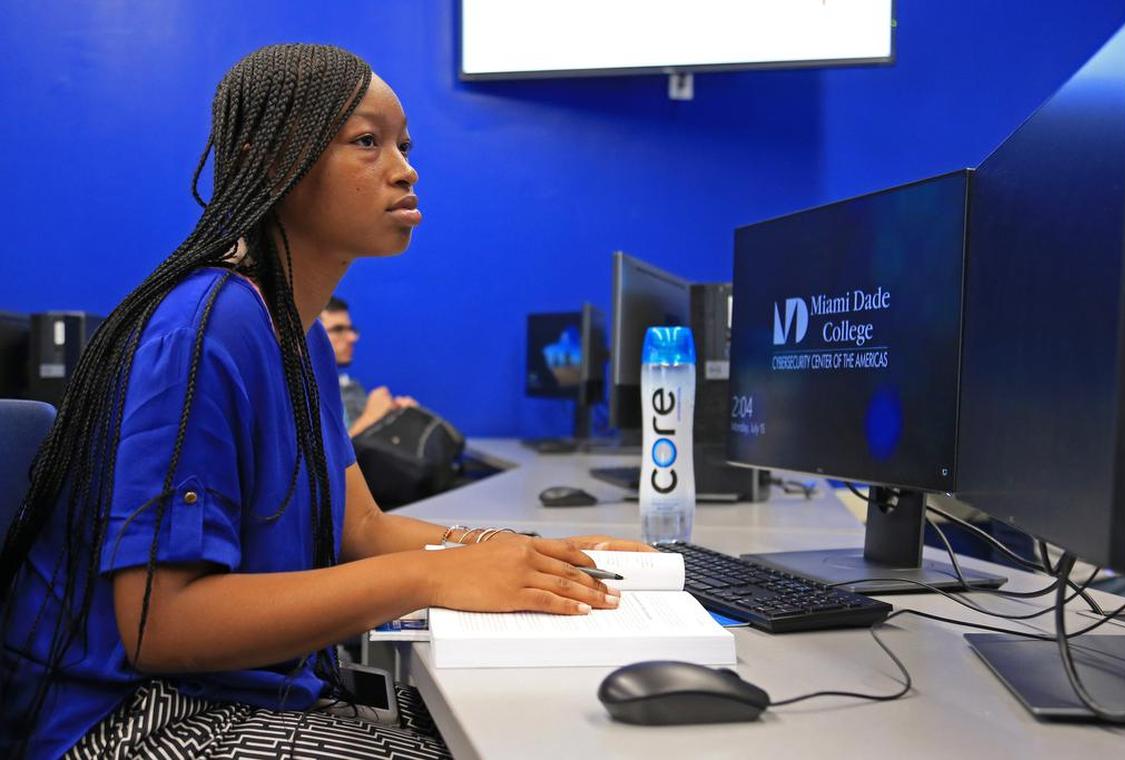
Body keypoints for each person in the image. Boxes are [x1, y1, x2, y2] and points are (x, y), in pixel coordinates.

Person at [0, 44, 650, 759]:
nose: (406, 168)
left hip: (254, 687)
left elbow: (361, 530)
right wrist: (435, 572)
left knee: (539, 726)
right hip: (130, 720)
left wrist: (519, 554)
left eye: (404, 144)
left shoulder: (296, 332)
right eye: (367, 142)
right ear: (274, 161)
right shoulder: (206, 328)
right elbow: (161, 623)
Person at [319, 295, 417, 437]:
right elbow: (322, 458)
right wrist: (370, 418)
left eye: (350, 329)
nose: (352, 338)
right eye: (338, 329)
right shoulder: (293, 395)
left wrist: (393, 418)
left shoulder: (351, 389)